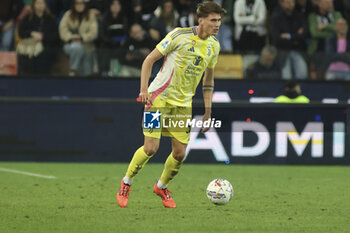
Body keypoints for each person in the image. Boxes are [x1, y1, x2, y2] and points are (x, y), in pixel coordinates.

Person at [116, 1, 225, 208]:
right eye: (213, 20)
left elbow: (208, 80)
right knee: (151, 148)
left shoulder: (214, 46)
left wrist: (208, 111)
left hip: (183, 105)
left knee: (180, 153)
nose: (217, 24)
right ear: (200, 19)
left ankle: (161, 186)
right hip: (159, 98)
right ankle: (126, 183)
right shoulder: (179, 35)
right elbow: (148, 60)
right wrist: (144, 90)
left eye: (219, 20)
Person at [17, 0, 58, 75]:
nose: (40, 5)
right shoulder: (28, 17)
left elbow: (55, 36)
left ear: (45, 5)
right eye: (38, 3)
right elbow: (21, 32)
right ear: (34, 5)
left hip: (46, 45)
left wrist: (43, 37)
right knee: (24, 53)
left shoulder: (50, 18)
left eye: (42, 3)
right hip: (29, 45)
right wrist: (31, 33)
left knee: (44, 53)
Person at [270, 0, 308, 80]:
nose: (290, 4)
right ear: (281, 3)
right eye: (287, 2)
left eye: (292, 2)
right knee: (286, 76)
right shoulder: (276, 17)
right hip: (282, 51)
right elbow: (276, 38)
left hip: (298, 50)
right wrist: (296, 35)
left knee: (303, 74)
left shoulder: (299, 16)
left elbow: (304, 34)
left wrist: (287, 35)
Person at [59, 0, 98, 76]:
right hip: (70, 44)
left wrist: (82, 38)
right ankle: (73, 70)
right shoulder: (68, 14)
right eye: (77, 3)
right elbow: (62, 30)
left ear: (85, 5)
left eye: (81, 3)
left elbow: (94, 32)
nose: (79, 5)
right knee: (77, 48)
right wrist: (71, 37)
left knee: (87, 72)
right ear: (74, 4)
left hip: (87, 45)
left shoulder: (91, 15)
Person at [308, 0, 342, 78]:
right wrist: (333, 32)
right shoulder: (313, 16)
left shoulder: (337, 14)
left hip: (334, 49)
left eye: (331, 3)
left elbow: (340, 28)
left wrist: (325, 26)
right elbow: (314, 33)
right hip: (318, 50)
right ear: (320, 4)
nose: (330, 5)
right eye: (327, 3)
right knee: (317, 74)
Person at [98, 0, 128, 76]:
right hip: (107, 46)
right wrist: (114, 42)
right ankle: (104, 73)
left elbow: (127, 33)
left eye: (118, 4)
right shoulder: (104, 19)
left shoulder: (124, 19)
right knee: (104, 51)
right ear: (110, 6)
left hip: (121, 47)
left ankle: (121, 73)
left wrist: (122, 42)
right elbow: (102, 36)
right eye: (113, 4)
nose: (116, 6)